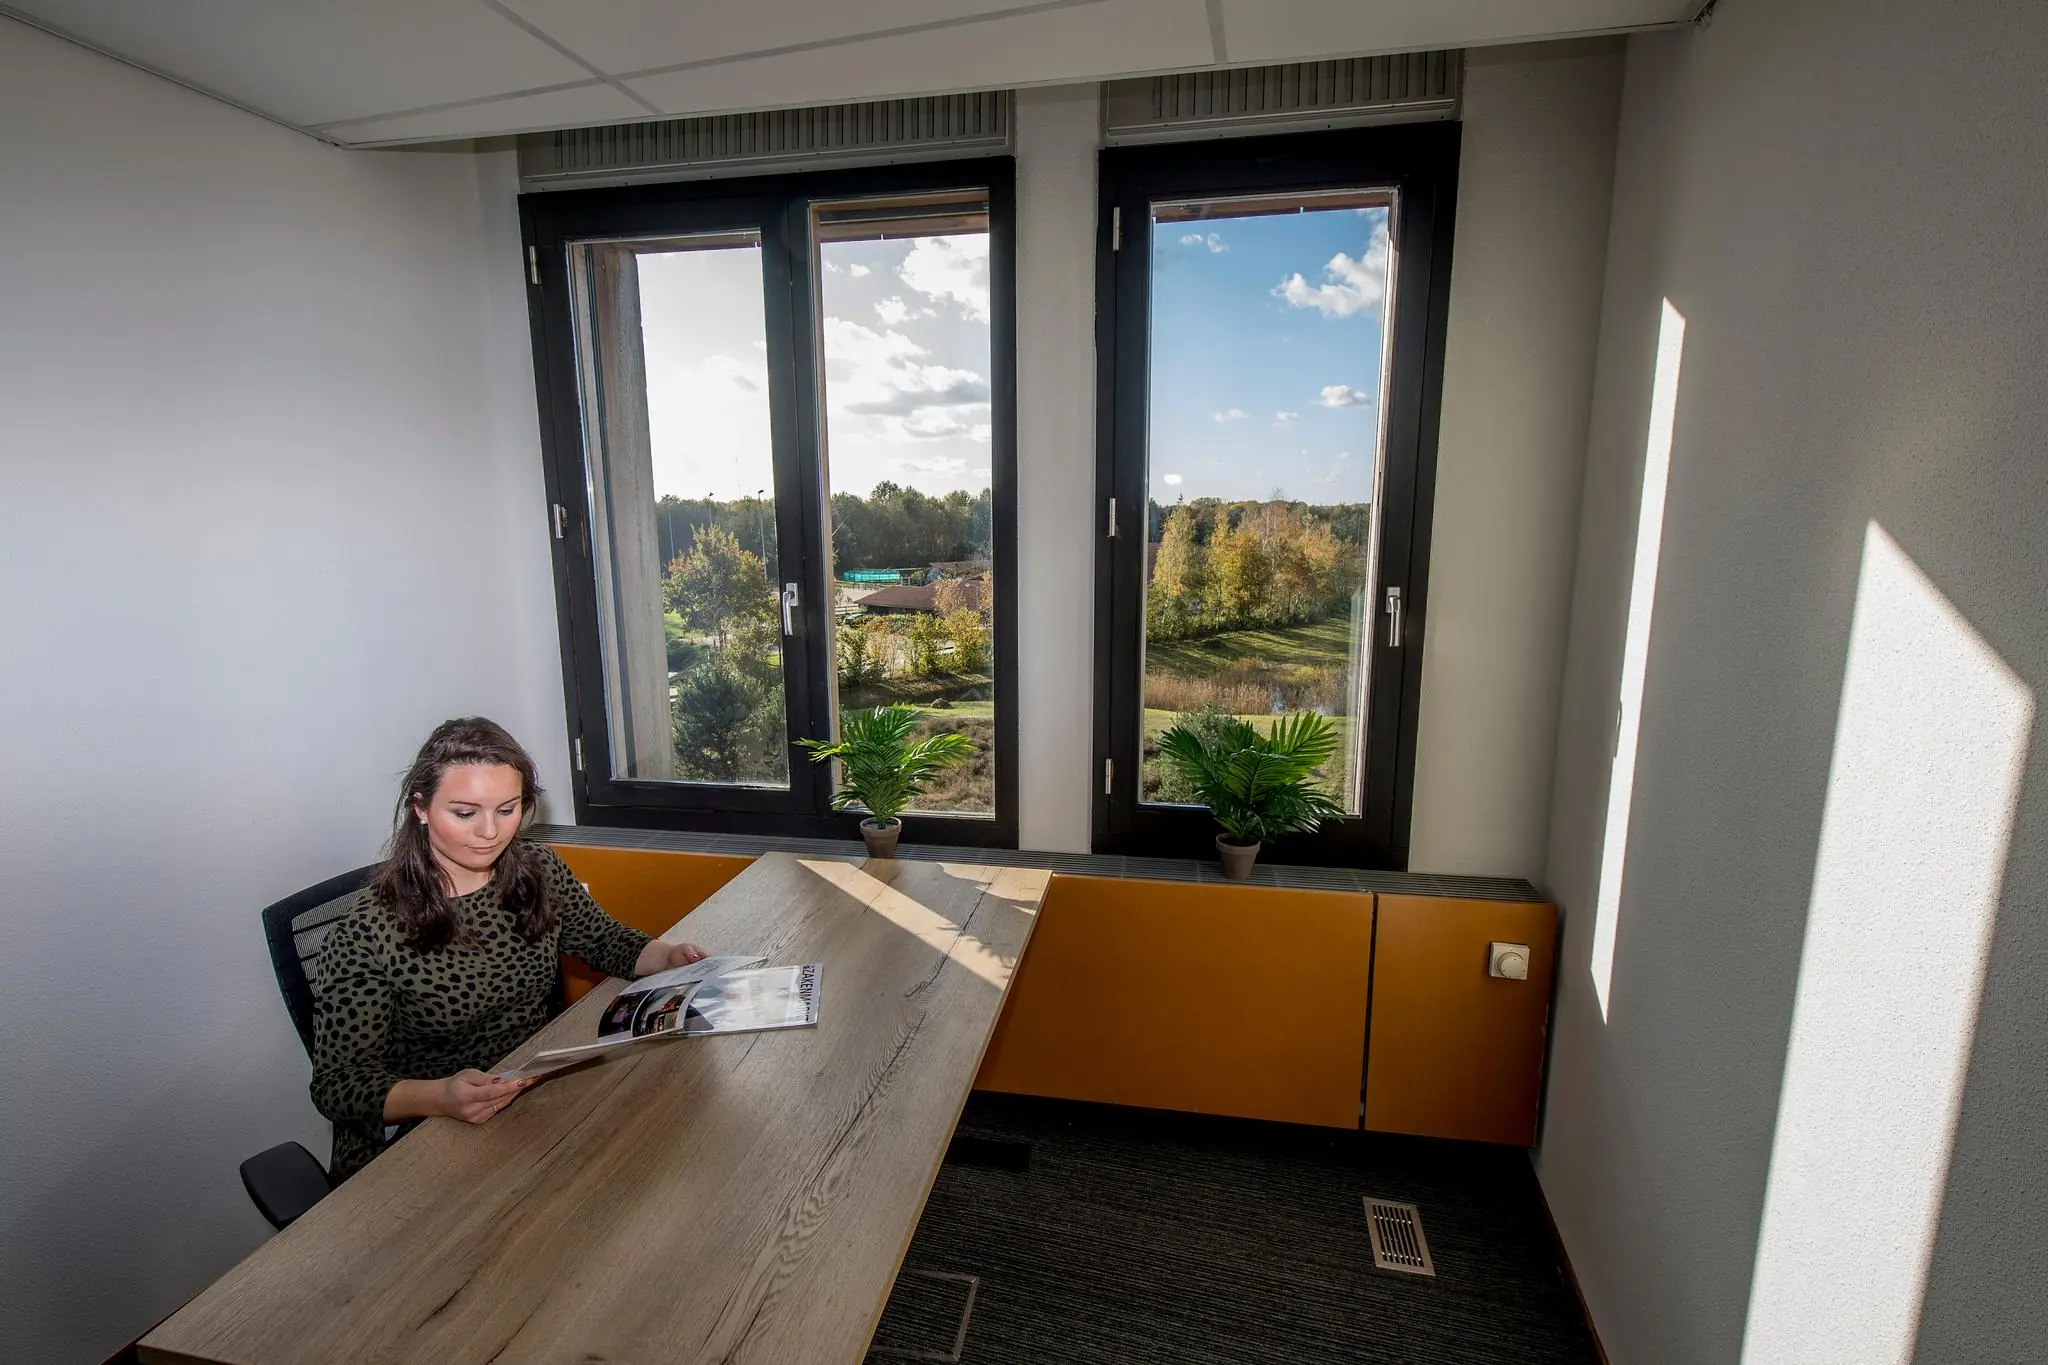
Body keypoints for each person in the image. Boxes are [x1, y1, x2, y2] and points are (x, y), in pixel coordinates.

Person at [310, 717, 705, 1180]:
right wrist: (442, 1096)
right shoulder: (368, 931)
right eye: (465, 813)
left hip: (526, 1095)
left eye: (507, 809)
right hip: (425, 1133)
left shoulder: (535, 869)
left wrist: (667, 955)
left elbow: (602, 940)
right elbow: (338, 1086)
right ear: (420, 808)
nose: (490, 832)